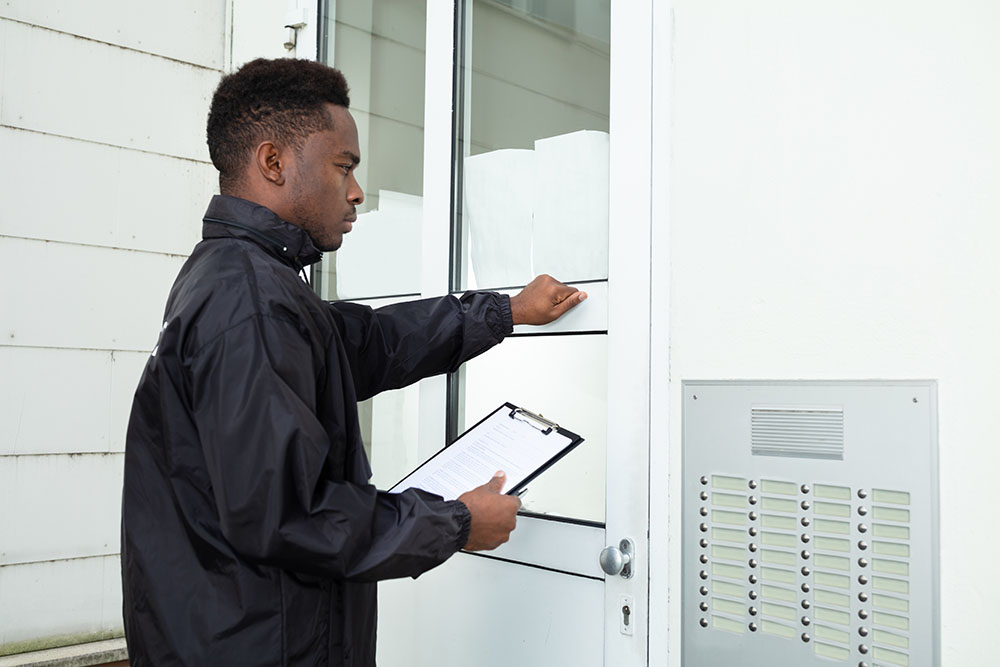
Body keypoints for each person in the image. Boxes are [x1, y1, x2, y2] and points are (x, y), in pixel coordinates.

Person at [120, 57, 586, 666]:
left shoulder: (249, 280)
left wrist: (505, 311)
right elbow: (290, 515)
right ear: (273, 162)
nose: (358, 191)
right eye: (344, 166)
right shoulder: (250, 299)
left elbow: (368, 343)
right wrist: (457, 523)